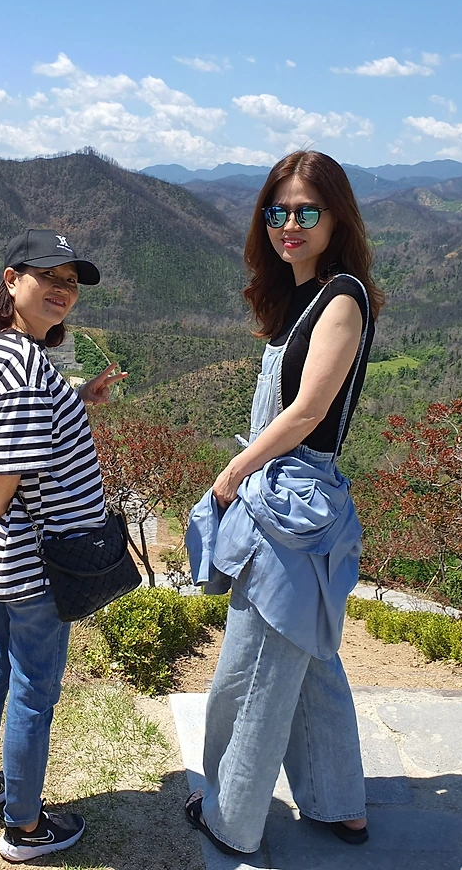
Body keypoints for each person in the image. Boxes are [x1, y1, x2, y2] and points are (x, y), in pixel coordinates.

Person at [183, 150, 383, 856]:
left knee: (252, 668)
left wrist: (235, 468)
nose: (289, 224)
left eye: (306, 211)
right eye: (278, 211)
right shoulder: (301, 295)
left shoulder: (341, 297)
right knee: (309, 658)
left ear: (336, 217)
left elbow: (307, 411)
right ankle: (339, 803)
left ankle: (230, 816)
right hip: (287, 497)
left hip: (293, 507)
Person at [0, 228, 126, 863]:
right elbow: (16, 455)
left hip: (6, 556)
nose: (62, 290)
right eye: (48, 277)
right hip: (40, 560)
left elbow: (30, 419)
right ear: (11, 279)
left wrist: (81, 396)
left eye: (70, 283)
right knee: (33, 687)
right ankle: (25, 827)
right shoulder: (25, 362)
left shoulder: (6, 351)